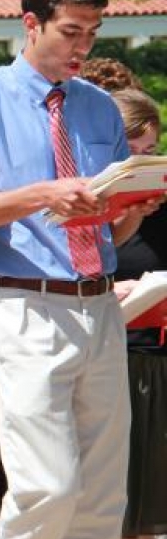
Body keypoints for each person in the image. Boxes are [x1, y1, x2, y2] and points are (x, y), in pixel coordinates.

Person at [0, 0, 163, 536]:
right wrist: (42, 194)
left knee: (104, 493)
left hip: (101, 304)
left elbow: (105, 221)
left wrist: (133, 201)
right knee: (48, 487)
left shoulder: (101, 109)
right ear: (30, 24)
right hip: (25, 307)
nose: (84, 46)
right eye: (71, 31)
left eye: (93, 31)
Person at [103, 89, 167, 539]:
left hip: (156, 355)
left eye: (152, 152)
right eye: (133, 153)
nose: (144, 163)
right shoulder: (90, 204)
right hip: (107, 356)